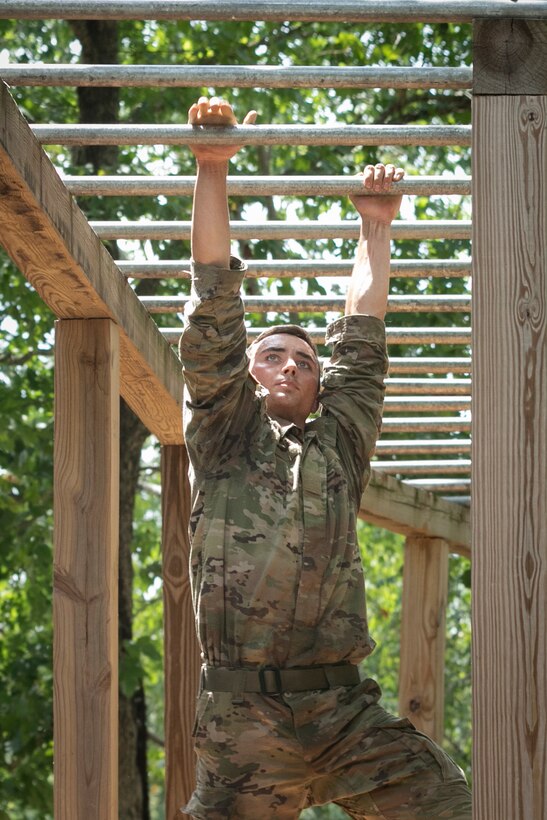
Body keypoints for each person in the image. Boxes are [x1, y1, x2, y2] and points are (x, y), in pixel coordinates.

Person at [178, 96, 472, 820]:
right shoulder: (223, 434)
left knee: (444, 800)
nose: (289, 366)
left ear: (317, 385)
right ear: (246, 375)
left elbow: (361, 336)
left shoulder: (338, 437)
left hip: (343, 713)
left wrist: (375, 226)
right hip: (245, 724)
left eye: (304, 361)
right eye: (272, 355)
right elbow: (214, 298)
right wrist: (211, 168)